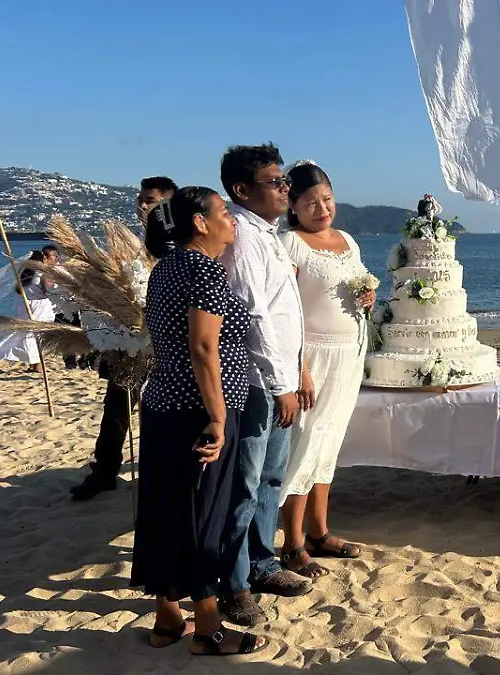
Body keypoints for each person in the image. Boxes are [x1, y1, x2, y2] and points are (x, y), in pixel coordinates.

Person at [131, 186, 266, 656]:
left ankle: (168, 617)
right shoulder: (204, 270)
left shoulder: (164, 268)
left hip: (164, 402)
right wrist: (219, 416)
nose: (232, 221)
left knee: (166, 509)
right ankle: (208, 626)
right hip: (198, 411)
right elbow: (204, 347)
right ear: (200, 223)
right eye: (225, 212)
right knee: (201, 515)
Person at [218, 143, 311, 625]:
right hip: (258, 381)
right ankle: (233, 582)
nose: (285, 189)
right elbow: (254, 315)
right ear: (242, 190)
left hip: (282, 377)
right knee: (247, 482)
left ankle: (261, 562)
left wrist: (298, 373)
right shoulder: (246, 237)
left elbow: (284, 312)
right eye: (276, 183)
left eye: (284, 182)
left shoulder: (269, 233)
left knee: (272, 476)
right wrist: (280, 385)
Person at [276, 161, 372, 581]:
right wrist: (300, 369)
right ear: (293, 206)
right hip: (311, 357)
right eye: (311, 202)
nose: (322, 209)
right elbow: (285, 311)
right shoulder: (290, 244)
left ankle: (319, 531)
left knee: (329, 445)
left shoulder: (347, 240)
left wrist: (366, 297)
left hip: (349, 353)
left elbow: (350, 288)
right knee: (304, 445)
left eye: (327, 199)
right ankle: (292, 542)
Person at [70, 177, 178, 502]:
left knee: (164, 412)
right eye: (140, 199)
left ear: (167, 205)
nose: (142, 205)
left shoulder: (178, 244)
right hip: (130, 342)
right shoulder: (130, 243)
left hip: (165, 344)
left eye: (150, 200)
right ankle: (105, 471)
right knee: (117, 406)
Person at [0, 249, 56, 372]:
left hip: (24, 306)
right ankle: (37, 366)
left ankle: (33, 364)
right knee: (36, 335)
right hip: (39, 307)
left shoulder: (24, 275)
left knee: (28, 334)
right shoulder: (41, 275)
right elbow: (49, 292)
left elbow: (18, 291)